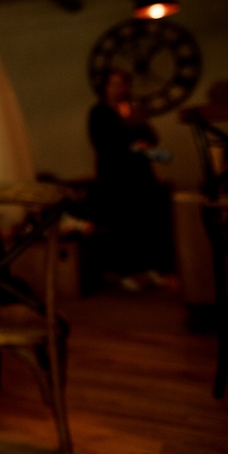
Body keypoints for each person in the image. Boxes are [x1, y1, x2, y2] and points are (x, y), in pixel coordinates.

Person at [87, 69, 172, 292]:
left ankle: (151, 270)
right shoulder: (99, 112)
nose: (119, 89)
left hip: (141, 177)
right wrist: (133, 140)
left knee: (147, 224)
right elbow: (105, 143)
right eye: (113, 84)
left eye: (122, 84)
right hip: (116, 179)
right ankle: (125, 273)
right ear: (105, 87)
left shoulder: (132, 109)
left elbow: (151, 138)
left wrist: (137, 130)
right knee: (123, 227)